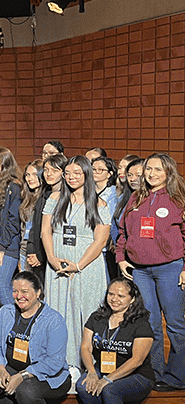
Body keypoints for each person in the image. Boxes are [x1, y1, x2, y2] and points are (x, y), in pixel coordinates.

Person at [115, 152, 185, 391]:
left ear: (168, 172)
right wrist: (121, 258)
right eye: (149, 169)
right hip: (140, 271)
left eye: (157, 169)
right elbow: (124, 232)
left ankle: (177, 377)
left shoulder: (178, 198)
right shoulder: (136, 196)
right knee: (151, 323)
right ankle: (155, 373)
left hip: (170, 268)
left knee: (175, 324)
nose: (152, 174)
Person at [42, 155, 110, 370]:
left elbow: (100, 241)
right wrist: (52, 259)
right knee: (58, 311)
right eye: (67, 173)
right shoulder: (55, 198)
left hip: (86, 265)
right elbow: (45, 231)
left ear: (86, 174)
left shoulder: (99, 203)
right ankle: (61, 362)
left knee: (85, 311)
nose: (71, 177)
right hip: (57, 262)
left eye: (77, 173)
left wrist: (78, 265)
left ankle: (86, 364)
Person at [0, 271, 71, 404]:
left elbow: (54, 361)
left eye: (25, 291)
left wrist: (22, 376)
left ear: (38, 292)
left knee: (26, 391)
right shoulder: (5, 312)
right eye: (15, 291)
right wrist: (2, 370)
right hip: (12, 368)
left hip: (47, 376)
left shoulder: (54, 320)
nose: (19, 296)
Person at [76, 277, 156, 404]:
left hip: (137, 375)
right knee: (83, 386)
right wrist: (91, 372)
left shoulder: (140, 323)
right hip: (103, 369)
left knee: (110, 390)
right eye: (111, 294)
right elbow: (85, 347)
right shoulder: (96, 318)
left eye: (121, 296)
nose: (114, 299)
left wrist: (107, 379)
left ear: (132, 299)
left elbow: (137, 360)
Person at [0, 147, 23, 305]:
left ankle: (14, 323)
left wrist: (1, 246)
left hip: (7, 245)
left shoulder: (13, 186)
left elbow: (13, 220)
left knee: (2, 285)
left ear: (7, 164)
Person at [26, 154, 66, 284]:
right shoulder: (44, 196)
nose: (49, 174)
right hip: (38, 252)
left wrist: (41, 256)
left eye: (55, 171)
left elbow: (54, 232)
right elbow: (35, 227)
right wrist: (32, 251)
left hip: (54, 254)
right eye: (47, 170)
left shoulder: (66, 198)